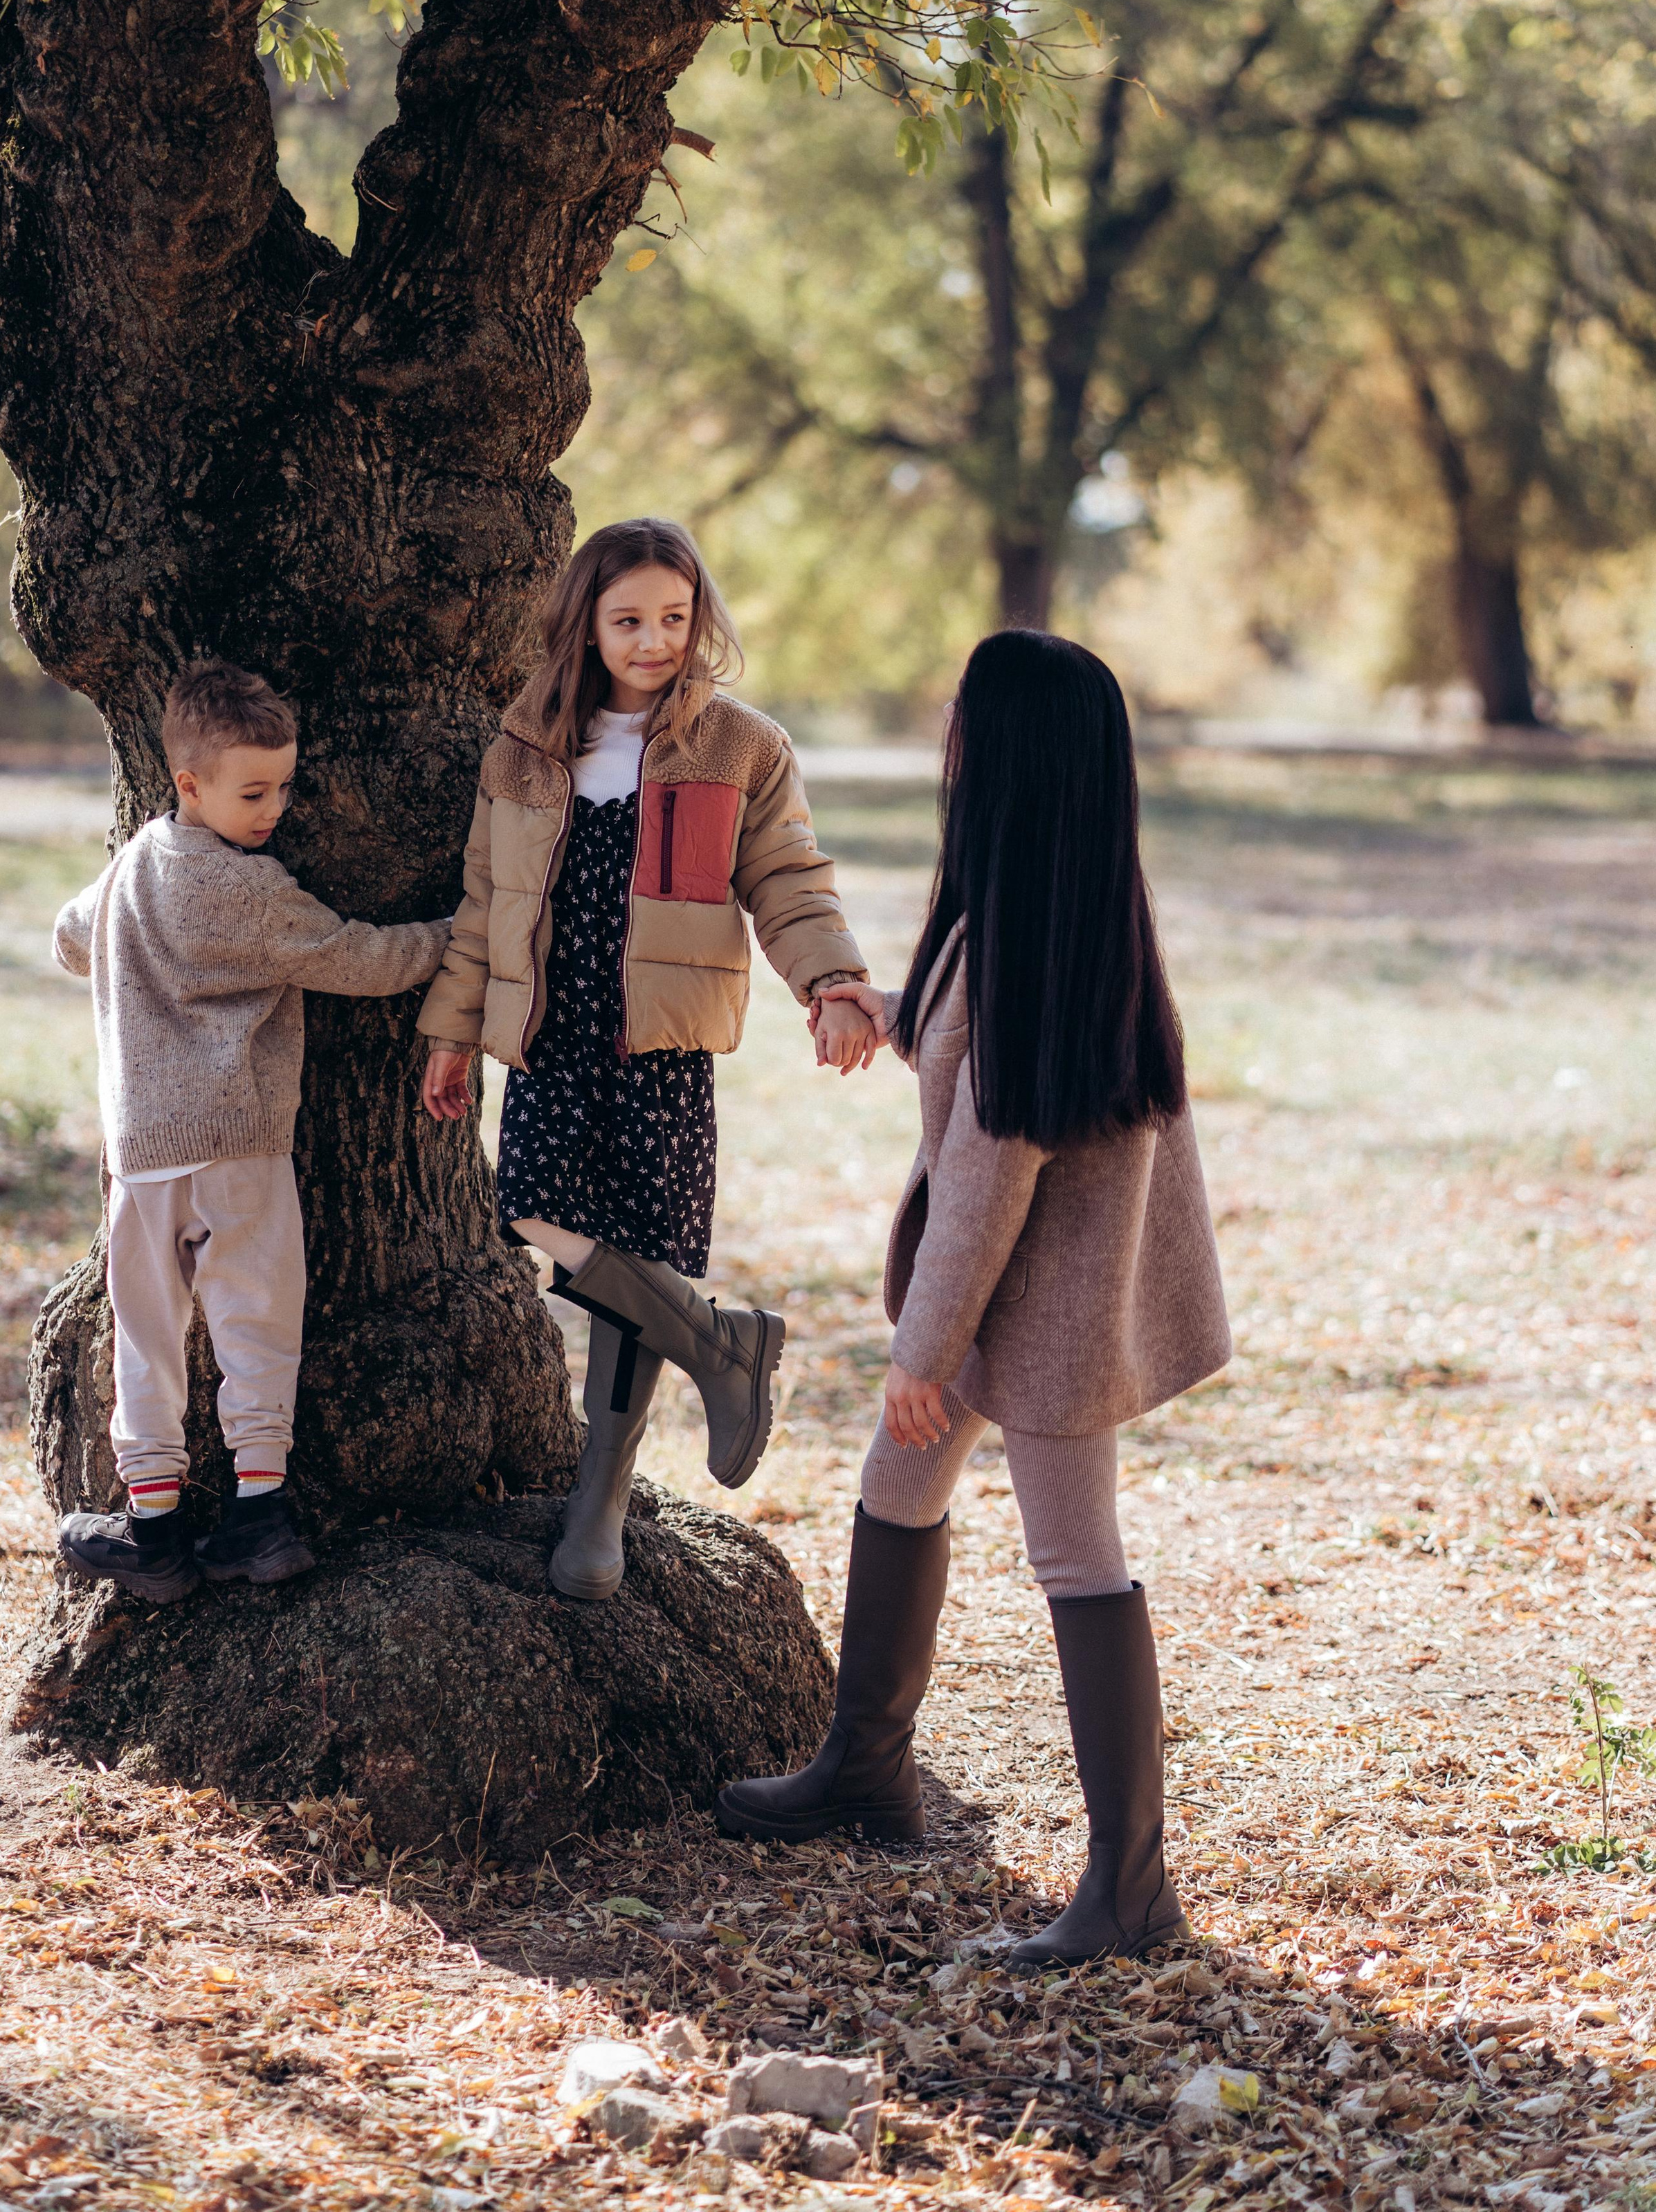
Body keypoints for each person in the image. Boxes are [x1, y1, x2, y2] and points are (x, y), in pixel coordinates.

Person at [716, 630, 1231, 1971]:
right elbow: (974, 1066)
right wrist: (878, 1011)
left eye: (959, 728)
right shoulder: (1038, 909)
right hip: (1004, 1298)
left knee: (1076, 1559)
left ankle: (1128, 1888)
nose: (946, 745)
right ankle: (864, 1765)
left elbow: (984, 1180)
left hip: (1039, 1320)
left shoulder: (1025, 944)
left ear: (999, 764)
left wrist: (919, 1348)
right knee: (897, 1488)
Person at [418, 516, 879, 1600]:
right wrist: (451, 1031)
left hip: (659, 1042)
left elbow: (790, 879)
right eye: (630, 619)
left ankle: (599, 1512)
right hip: (547, 1033)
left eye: (675, 618)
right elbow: (484, 906)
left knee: (642, 1257)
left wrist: (832, 981)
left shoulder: (742, 747)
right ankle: (726, 1345)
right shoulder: (524, 750)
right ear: (586, 625)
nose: (654, 639)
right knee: (529, 1208)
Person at [52, 659, 451, 1605]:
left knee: (147, 1338)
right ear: (190, 783)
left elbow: (69, 938)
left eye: (283, 785)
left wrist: (125, 945)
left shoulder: (133, 864)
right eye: (254, 791)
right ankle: (258, 1519)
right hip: (240, 1146)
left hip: (144, 1156)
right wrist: (456, 937)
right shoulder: (253, 891)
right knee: (256, 1326)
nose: (274, 809)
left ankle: (153, 1535)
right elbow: (360, 957)